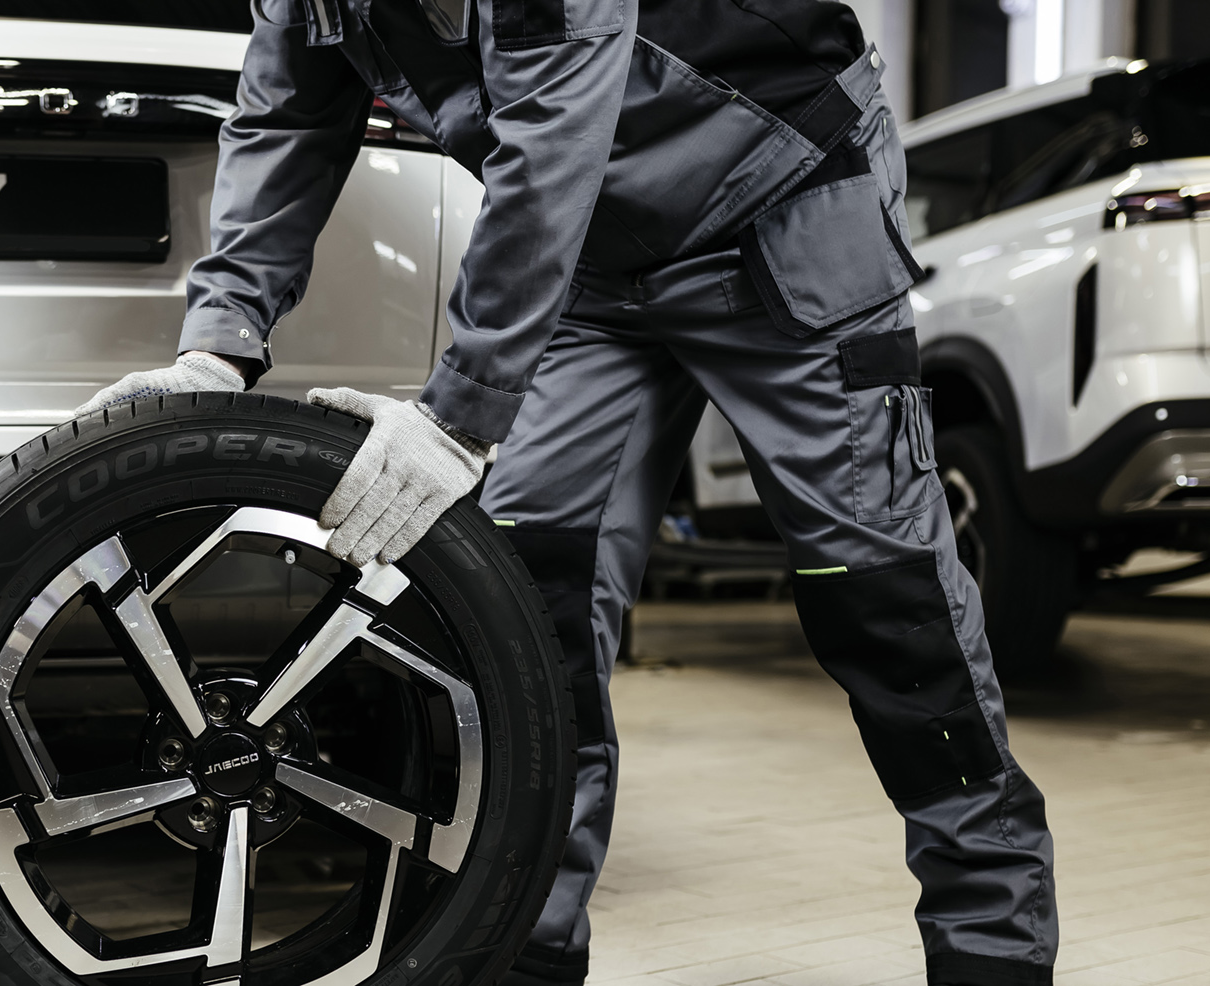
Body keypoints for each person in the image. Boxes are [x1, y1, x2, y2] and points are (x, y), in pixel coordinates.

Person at [76, 0, 1057, 982]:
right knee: (533, 613)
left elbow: (552, 131)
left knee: (885, 604)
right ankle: (527, 951)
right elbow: (284, 121)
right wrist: (219, 344)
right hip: (592, 262)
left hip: (781, 207)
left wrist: (458, 414)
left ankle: (990, 950)